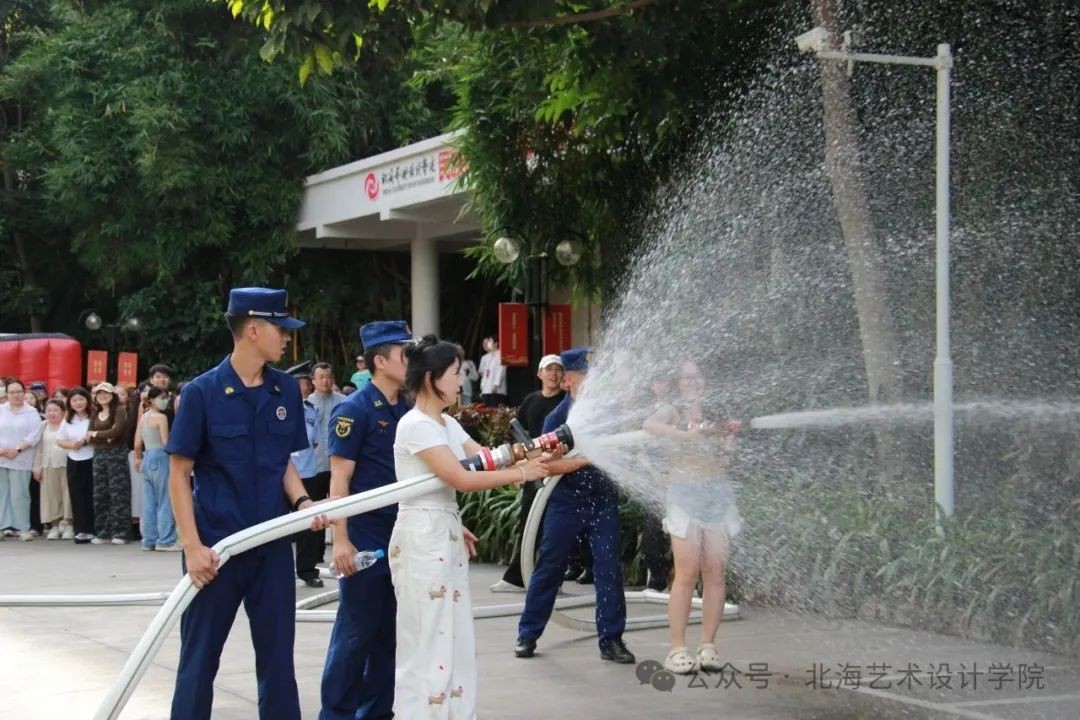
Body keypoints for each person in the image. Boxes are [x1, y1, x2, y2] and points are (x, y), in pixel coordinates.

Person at [166, 287, 326, 719]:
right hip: (216, 549)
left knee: (278, 661)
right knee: (199, 660)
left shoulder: (285, 389)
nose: (287, 337)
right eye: (281, 329)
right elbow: (179, 474)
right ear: (253, 330)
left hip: (271, 546)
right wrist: (192, 547)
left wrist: (303, 502)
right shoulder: (201, 393)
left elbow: (283, 461)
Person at [391, 335, 551, 718]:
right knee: (428, 637)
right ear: (430, 379)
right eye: (455, 373)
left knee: (455, 635)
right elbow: (460, 478)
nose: (462, 381)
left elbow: (482, 458)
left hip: (444, 528)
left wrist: (536, 452)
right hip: (421, 535)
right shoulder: (416, 425)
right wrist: (523, 472)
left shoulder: (445, 422)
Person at [515, 347, 636, 665]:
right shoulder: (557, 419)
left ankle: (611, 639)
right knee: (550, 566)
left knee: (608, 569)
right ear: (568, 380)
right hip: (566, 503)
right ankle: (528, 634)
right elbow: (546, 466)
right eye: (586, 375)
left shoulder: (609, 413)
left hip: (603, 500)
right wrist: (585, 459)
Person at [320, 321, 413, 720]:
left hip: (401, 533)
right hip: (365, 534)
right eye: (404, 354)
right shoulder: (353, 410)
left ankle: (376, 712)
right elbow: (338, 481)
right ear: (380, 361)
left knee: (388, 632)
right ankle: (336, 714)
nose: (411, 361)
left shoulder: (407, 408)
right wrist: (341, 540)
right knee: (355, 633)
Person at [643, 359, 742, 674]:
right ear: (678, 382)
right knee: (687, 572)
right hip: (684, 495)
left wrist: (728, 441)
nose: (693, 381)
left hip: (718, 494)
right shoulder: (671, 410)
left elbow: (726, 457)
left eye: (697, 376)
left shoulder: (715, 413)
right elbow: (649, 426)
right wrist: (686, 435)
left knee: (715, 572)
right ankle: (677, 648)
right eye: (686, 377)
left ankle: (708, 646)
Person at [490, 354, 566, 593]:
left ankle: (550, 581)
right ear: (540, 374)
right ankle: (518, 577)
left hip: (561, 471)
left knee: (554, 528)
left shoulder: (566, 402)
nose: (553, 374)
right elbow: (518, 432)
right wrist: (518, 465)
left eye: (558, 369)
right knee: (528, 522)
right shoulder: (531, 400)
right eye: (549, 369)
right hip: (533, 470)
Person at [295, 362, 345, 587]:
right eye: (320, 377)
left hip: (336, 467)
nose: (325, 380)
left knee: (337, 511)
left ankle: (325, 556)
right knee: (311, 516)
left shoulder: (344, 402)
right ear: (313, 381)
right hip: (310, 469)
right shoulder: (306, 405)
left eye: (328, 376)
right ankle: (309, 563)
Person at [133, 386, 178, 551]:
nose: (165, 401)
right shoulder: (161, 417)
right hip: (160, 457)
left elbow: (137, 443)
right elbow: (166, 442)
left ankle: (149, 540)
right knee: (165, 500)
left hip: (147, 456)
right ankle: (165, 540)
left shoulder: (144, 417)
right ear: (152, 400)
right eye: (162, 398)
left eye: (166, 398)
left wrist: (138, 457)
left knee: (149, 502)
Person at [0, 380, 45, 541]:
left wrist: (17, 449)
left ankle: (23, 527)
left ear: (23, 392)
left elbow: (34, 436)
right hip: (1, 456)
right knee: (2, 494)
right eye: (12, 392)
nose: (16, 395)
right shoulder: (2, 409)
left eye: (19, 391)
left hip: (21, 458)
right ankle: (3, 526)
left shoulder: (31, 412)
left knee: (20, 495)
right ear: (7, 394)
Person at [86, 382, 130, 545]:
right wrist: (105, 436)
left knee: (118, 493)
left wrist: (97, 434)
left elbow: (116, 431)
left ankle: (121, 532)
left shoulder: (119, 410)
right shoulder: (95, 413)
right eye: (99, 393)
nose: (102, 396)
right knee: (100, 493)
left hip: (116, 455)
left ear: (113, 395)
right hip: (99, 455)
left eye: (106, 393)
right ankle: (103, 532)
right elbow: (88, 436)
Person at [57, 388, 95, 543]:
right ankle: (81, 530)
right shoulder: (67, 420)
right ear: (70, 403)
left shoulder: (93, 417)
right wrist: (72, 445)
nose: (78, 403)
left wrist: (86, 441)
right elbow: (60, 440)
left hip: (92, 459)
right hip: (74, 460)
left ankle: (93, 529)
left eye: (81, 399)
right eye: (74, 400)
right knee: (76, 495)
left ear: (87, 400)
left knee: (91, 494)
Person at [33, 398, 73, 540]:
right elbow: (39, 448)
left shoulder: (67, 425)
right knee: (51, 496)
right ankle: (54, 526)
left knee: (68, 495)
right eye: (49, 410)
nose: (52, 413)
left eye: (56, 410)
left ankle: (69, 525)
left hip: (66, 464)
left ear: (63, 412)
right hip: (47, 465)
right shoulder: (43, 426)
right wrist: (37, 467)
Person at [478, 337, 507, 406]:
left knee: (494, 409)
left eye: (490, 342)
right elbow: (485, 372)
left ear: (496, 344)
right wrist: (483, 387)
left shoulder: (501, 354)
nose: (488, 344)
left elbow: (501, 370)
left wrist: (496, 385)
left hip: (496, 390)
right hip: (486, 389)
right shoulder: (488, 356)